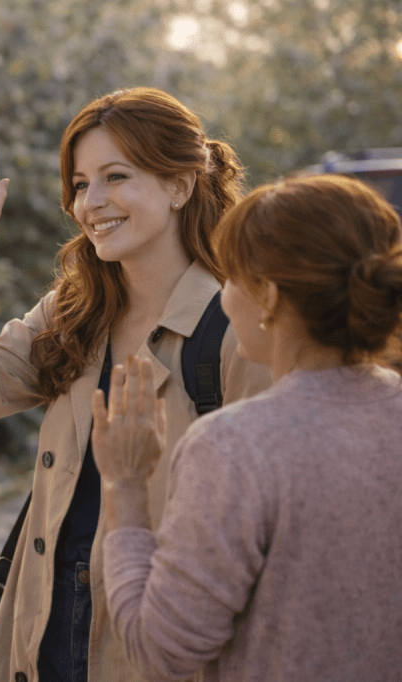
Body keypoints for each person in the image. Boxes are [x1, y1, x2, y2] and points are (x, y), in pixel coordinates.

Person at [0, 86, 271, 682]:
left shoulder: (236, 328)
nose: (91, 202)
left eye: (116, 176)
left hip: (154, 649)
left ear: (180, 186)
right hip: (43, 635)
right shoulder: (74, 311)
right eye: (79, 184)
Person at [93, 174, 402, 681]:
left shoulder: (237, 447)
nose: (224, 297)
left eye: (231, 276)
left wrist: (125, 485)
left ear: (272, 297)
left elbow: (162, 653)